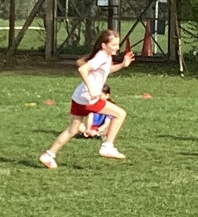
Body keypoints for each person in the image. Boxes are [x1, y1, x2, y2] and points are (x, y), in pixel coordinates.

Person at [39, 30, 134, 169]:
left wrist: (122, 65)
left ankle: (48, 155)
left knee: (72, 130)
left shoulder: (105, 56)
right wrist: (92, 90)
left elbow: (105, 70)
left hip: (78, 97)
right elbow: (82, 69)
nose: (117, 47)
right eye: (114, 45)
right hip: (88, 98)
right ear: (104, 45)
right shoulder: (101, 56)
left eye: (117, 44)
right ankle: (107, 146)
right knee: (120, 114)